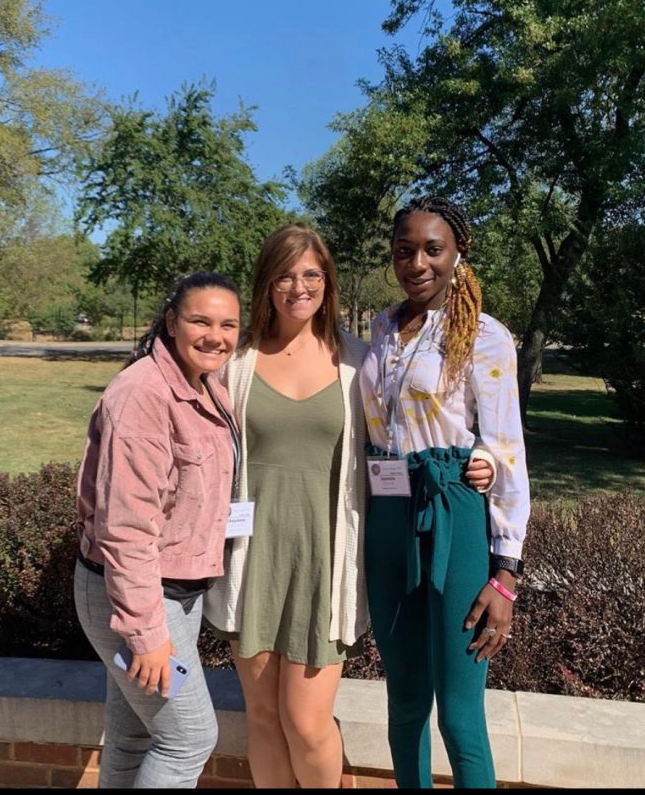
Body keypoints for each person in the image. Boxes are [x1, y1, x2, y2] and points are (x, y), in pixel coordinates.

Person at [203, 224, 498, 789]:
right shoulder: (234, 365)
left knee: (307, 722)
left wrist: (481, 456)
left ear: (327, 281)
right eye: (285, 274)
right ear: (266, 282)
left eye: (311, 274)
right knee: (263, 717)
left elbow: (420, 426)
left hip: (325, 558)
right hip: (253, 557)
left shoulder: (358, 362)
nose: (298, 286)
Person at [359, 195, 530, 789]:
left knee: (459, 716)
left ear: (458, 253)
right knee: (404, 705)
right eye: (405, 251)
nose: (418, 263)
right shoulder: (380, 328)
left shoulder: (484, 336)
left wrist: (505, 573)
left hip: (453, 510)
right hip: (387, 509)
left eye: (433, 249)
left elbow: (505, 447)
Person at [74, 271, 242, 789]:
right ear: (171, 322)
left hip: (178, 593)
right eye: (200, 321)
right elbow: (125, 528)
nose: (215, 335)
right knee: (188, 738)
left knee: (131, 737)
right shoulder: (144, 394)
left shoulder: (207, 386)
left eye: (229, 324)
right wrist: (146, 635)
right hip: (138, 600)